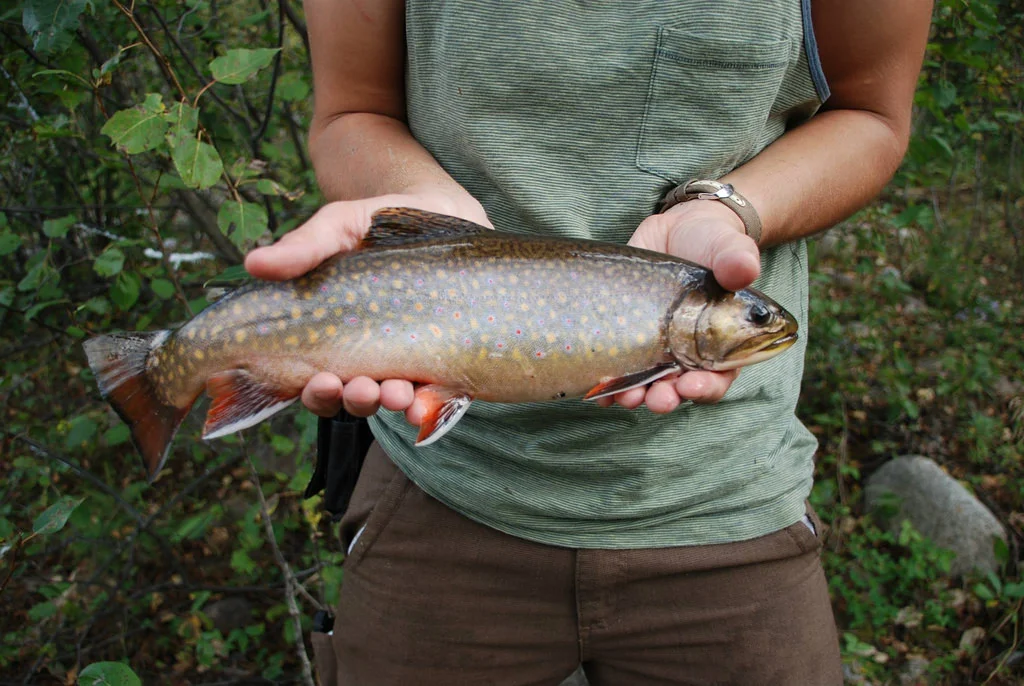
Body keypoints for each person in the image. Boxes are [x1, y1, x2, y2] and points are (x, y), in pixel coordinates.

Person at [245, 1, 933, 683]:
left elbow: (871, 112)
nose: (763, 325)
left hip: (731, 498)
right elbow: (350, 113)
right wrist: (427, 216)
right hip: (443, 492)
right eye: (753, 317)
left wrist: (727, 208)